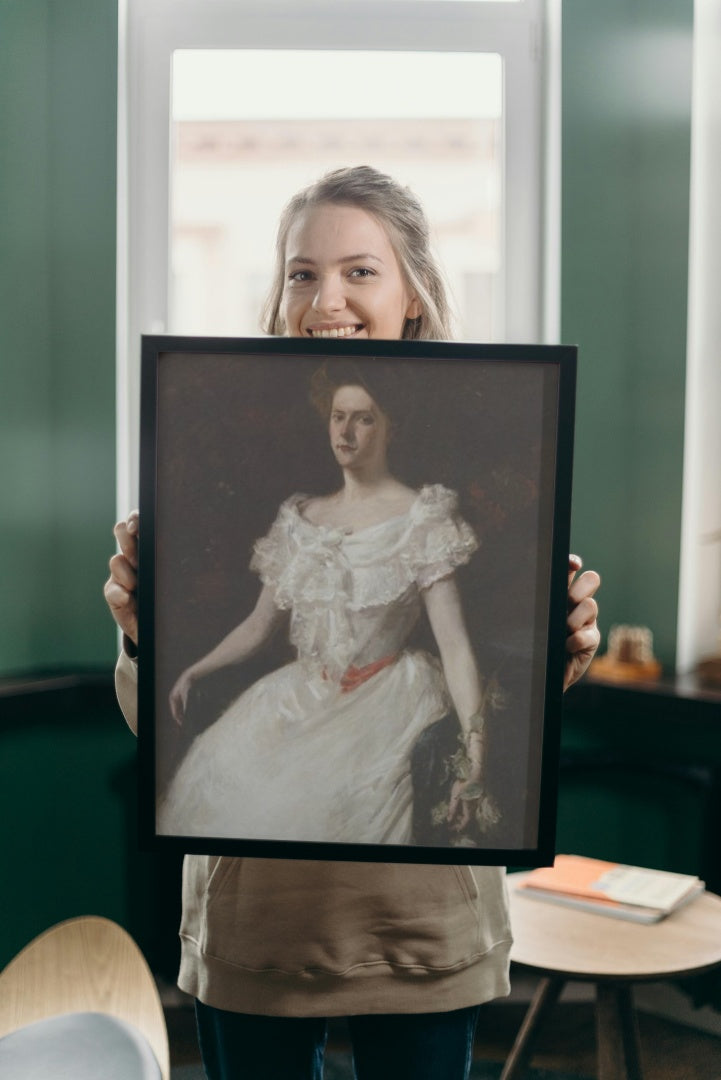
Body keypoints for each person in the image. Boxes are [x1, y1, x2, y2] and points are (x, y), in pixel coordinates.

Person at [105, 166, 601, 1080]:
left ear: (412, 292)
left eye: (359, 271)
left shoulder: (433, 506)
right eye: (302, 272)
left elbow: (468, 661)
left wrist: (558, 657)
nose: (325, 297)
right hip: (257, 922)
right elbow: (194, 694)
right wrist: (151, 643)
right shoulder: (272, 493)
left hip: (415, 922)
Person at [159, 362, 491, 845]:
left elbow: (456, 646)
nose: (346, 432)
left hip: (383, 701)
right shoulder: (302, 519)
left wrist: (475, 755)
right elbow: (258, 625)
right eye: (339, 416)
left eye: (364, 418)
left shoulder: (421, 518)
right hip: (301, 694)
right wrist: (195, 670)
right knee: (229, 786)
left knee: (317, 807)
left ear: (390, 426)